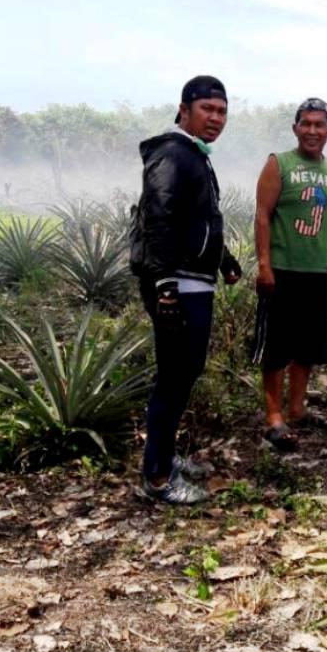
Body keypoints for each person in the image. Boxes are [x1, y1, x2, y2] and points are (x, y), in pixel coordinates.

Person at [130, 75, 242, 503]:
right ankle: (158, 477)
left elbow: (195, 219)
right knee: (175, 376)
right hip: (178, 284)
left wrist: (223, 258)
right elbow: (159, 216)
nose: (216, 118)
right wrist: (165, 286)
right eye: (207, 109)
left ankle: (164, 457)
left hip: (191, 279)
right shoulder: (173, 153)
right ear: (184, 109)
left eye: (222, 111)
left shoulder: (192, 153)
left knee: (182, 373)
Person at [253, 98, 327, 450]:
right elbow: (262, 215)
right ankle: (273, 416)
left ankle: (297, 409)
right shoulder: (279, 164)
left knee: (307, 345)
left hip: (315, 271)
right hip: (282, 270)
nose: (312, 130)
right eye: (305, 123)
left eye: (319, 124)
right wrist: (264, 264)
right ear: (295, 128)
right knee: (277, 345)